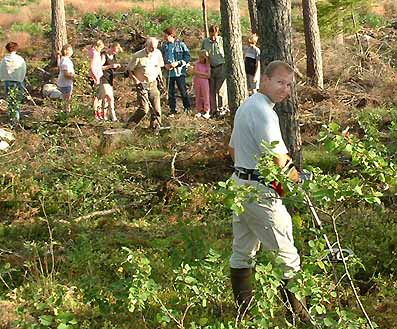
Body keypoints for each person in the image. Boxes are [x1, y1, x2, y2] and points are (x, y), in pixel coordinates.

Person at [228, 60, 310, 321]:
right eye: (280, 82)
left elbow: (232, 150)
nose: (284, 89)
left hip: (241, 186)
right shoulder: (264, 111)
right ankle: (299, 318)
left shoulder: (247, 106)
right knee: (287, 256)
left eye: (289, 85)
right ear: (264, 80)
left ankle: (245, 316)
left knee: (242, 252)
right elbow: (279, 158)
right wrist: (299, 180)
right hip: (259, 193)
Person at [126, 37, 164, 132]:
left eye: (155, 47)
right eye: (151, 47)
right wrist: (136, 80)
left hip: (153, 83)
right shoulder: (137, 56)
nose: (153, 49)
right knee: (144, 109)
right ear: (146, 46)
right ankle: (129, 127)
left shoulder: (157, 53)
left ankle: (155, 129)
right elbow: (129, 70)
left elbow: (158, 67)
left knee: (156, 109)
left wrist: (160, 79)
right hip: (141, 84)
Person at [161, 27, 191, 116]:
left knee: (183, 90)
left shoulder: (181, 45)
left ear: (170, 35)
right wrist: (164, 65)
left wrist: (178, 63)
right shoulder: (164, 46)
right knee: (170, 92)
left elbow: (187, 57)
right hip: (169, 73)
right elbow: (161, 58)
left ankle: (187, 108)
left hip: (179, 72)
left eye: (165, 35)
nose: (164, 37)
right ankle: (172, 110)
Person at [201, 24, 228, 115]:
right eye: (211, 34)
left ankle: (222, 109)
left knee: (220, 90)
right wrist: (203, 54)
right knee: (211, 90)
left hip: (221, 67)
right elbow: (201, 53)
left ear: (217, 33)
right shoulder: (205, 42)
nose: (213, 36)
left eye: (215, 34)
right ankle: (213, 109)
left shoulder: (222, 41)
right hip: (210, 68)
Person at [0, 41, 26, 125]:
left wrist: (3, 78)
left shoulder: (4, 60)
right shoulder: (20, 59)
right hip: (18, 82)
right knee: (17, 102)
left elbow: (2, 70)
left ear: (7, 49)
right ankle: (16, 120)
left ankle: (13, 120)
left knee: (10, 102)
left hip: (8, 82)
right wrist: (21, 78)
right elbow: (23, 69)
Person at [99, 42, 122, 121]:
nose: (114, 53)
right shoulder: (104, 55)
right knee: (109, 97)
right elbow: (99, 67)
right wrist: (110, 66)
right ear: (111, 48)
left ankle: (105, 116)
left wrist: (116, 67)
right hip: (103, 77)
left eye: (116, 52)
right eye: (114, 50)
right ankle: (113, 116)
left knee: (106, 98)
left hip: (110, 79)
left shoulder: (114, 56)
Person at [88, 40, 105, 120]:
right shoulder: (94, 53)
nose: (101, 49)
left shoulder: (95, 53)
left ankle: (98, 112)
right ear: (97, 46)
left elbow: (99, 64)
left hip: (98, 75)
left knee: (99, 96)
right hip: (95, 77)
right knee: (96, 96)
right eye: (101, 48)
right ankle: (96, 113)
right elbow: (92, 67)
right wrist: (96, 78)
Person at [192, 50, 211, 119]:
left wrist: (199, 74)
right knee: (198, 95)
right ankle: (199, 110)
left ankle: (207, 110)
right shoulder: (197, 63)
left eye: (202, 57)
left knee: (205, 96)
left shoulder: (207, 65)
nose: (201, 59)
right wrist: (203, 75)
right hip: (197, 81)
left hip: (205, 82)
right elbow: (194, 72)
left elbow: (208, 75)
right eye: (200, 57)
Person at [57, 44, 74, 112]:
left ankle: (66, 112)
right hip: (65, 84)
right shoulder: (65, 60)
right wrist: (74, 77)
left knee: (66, 100)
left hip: (67, 83)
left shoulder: (66, 59)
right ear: (66, 51)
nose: (72, 51)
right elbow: (66, 74)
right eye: (70, 50)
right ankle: (66, 113)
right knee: (66, 101)